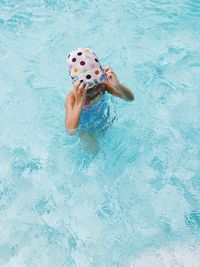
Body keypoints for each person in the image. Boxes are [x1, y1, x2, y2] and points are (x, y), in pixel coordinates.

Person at [65, 48, 134, 136]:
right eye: (88, 88)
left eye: (97, 85)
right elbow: (70, 130)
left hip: (104, 120)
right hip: (86, 129)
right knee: (93, 148)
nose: (95, 91)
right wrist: (79, 103)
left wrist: (118, 85)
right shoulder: (72, 97)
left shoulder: (104, 86)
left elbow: (130, 98)